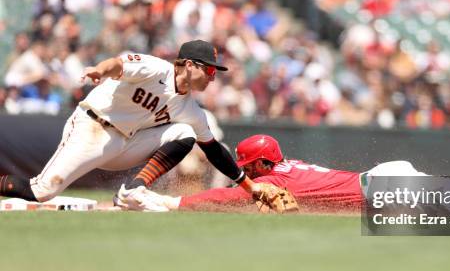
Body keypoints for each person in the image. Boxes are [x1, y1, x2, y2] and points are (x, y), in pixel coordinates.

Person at [0, 40, 266, 207]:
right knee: (42, 191)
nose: (212, 76)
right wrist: (99, 71)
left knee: (185, 132)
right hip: (92, 127)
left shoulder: (190, 109)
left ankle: (134, 189)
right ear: (187, 65)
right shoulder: (156, 68)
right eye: (208, 70)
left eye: (214, 72)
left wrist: (251, 187)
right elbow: (117, 64)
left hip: (127, 143)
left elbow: (213, 150)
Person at [134, 134, 450, 218]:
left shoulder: (272, 182)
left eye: (249, 167)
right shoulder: (284, 169)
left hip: (384, 189)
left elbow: (228, 200)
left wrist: (175, 203)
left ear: (260, 166)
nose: (245, 175)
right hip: (380, 181)